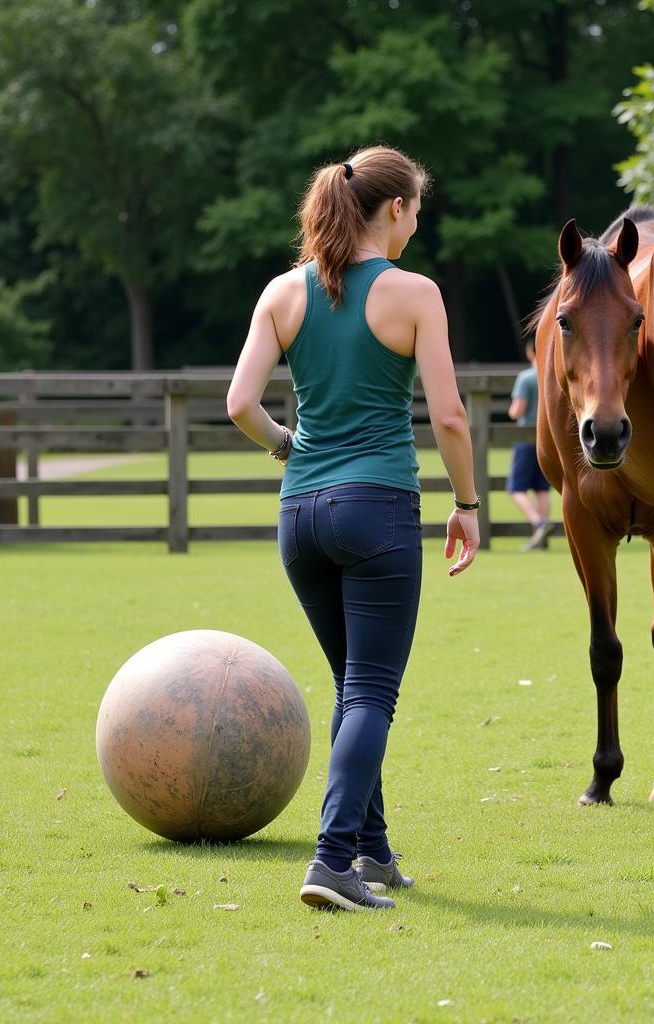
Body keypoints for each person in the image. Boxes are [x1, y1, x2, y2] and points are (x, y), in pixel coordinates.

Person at [227, 145, 480, 912]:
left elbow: (240, 402)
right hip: (378, 510)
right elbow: (448, 415)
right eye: (417, 211)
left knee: (352, 685)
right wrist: (468, 505)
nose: (416, 225)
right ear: (395, 209)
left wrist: (285, 446)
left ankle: (371, 850)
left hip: (299, 517)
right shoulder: (415, 294)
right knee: (371, 691)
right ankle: (333, 859)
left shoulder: (282, 292)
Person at [507, 339, 552, 550]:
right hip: (547, 440)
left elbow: (517, 411)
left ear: (530, 353)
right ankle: (540, 539)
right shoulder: (551, 376)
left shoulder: (526, 378)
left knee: (516, 488)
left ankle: (539, 523)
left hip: (526, 439)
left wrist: (511, 411)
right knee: (542, 488)